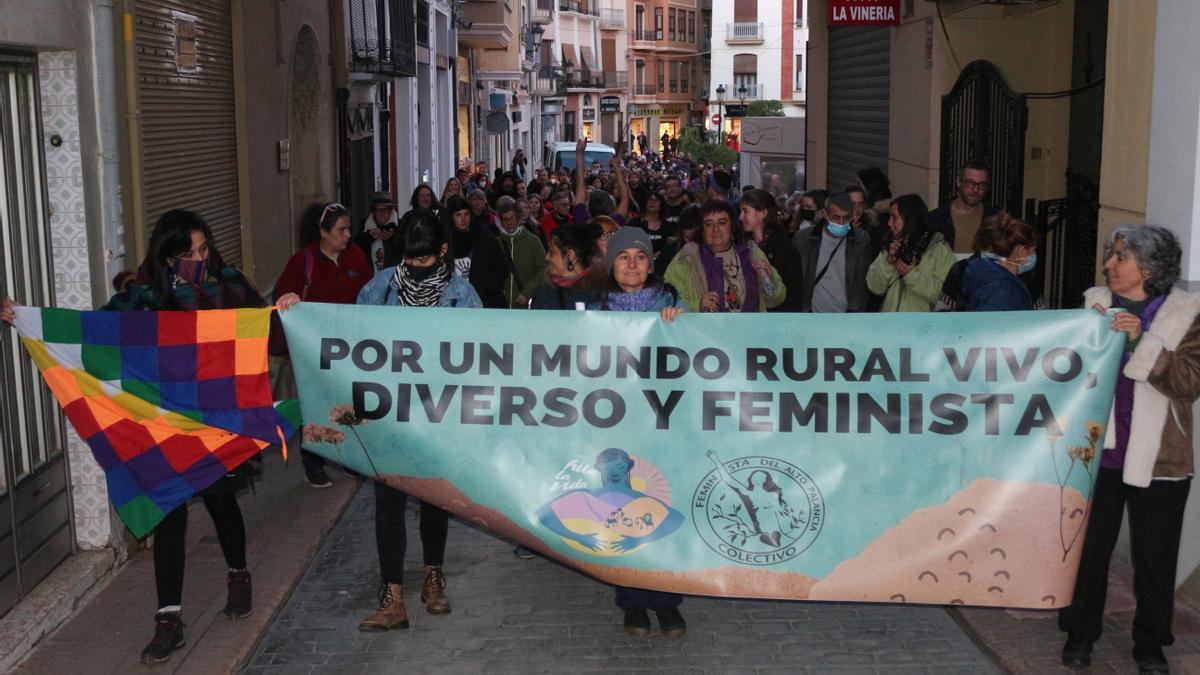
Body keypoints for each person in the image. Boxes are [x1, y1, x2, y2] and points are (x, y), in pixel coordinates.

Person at [1, 210, 297, 664]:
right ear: (167, 256)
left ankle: (239, 575)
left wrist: (284, 309)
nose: (200, 259)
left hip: (215, 420)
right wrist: (28, 320)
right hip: (163, 424)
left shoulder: (226, 280)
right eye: (189, 254)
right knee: (168, 510)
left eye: (204, 249)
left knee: (220, 499)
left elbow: (263, 324)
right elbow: (96, 336)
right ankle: (169, 619)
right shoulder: (141, 295)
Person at [1059, 225, 1200, 674]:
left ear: (1150, 267)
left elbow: (1187, 383)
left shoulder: (1186, 312)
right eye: (1110, 256)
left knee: (1154, 558)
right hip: (1097, 452)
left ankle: (1150, 643)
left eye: (1119, 257)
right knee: (1088, 551)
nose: (1109, 265)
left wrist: (1141, 340)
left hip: (1160, 458)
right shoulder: (1093, 303)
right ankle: (1080, 633)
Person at [338, 215, 481, 631]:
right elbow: (351, 341)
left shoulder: (462, 295)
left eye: (424, 259)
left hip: (438, 415)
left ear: (441, 253)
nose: (416, 267)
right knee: (388, 505)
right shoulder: (378, 289)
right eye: (409, 259)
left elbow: (478, 355)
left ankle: (433, 576)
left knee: (434, 499)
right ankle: (392, 596)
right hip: (389, 413)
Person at [275, 203, 373, 487]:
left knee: (350, 404)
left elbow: (369, 296)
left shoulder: (356, 257)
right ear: (322, 232)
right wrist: (289, 298)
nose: (347, 235)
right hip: (311, 352)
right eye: (341, 230)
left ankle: (350, 459)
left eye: (348, 229)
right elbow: (282, 298)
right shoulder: (302, 262)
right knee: (315, 406)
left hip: (351, 348)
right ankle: (313, 463)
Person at [664, 200, 786, 313]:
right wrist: (698, 305)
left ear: (732, 226)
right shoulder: (687, 258)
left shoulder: (752, 252)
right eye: (708, 224)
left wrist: (766, 280)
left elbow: (776, 300)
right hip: (706, 334)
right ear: (702, 230)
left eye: (722, 222)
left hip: (751, 333)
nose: (715, 229)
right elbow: (667, 300)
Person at [865, 194, 955, 312]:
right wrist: (887, 263)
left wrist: (912, 275)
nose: (889, 223)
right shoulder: (891, 246)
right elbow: (875, 287)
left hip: (923, 327)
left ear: (910, 220)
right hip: (891, 325)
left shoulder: (940, 250)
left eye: (894, 218)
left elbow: (947, 296)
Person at [794, 192, 875, 313]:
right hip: (811, 315)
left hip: (847, 318)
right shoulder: (803, 239)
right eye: (836, 217)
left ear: (852, 216)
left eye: (846, 218)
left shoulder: (861, 240)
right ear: (825, 214)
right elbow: (796, 281)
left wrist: (854, 313)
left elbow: (861, 283)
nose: (841, 223)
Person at [959, 213, 1039, 311]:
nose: (1033, 254)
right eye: (1032, 249)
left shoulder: (982, 269)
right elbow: (993, 324)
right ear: (1020, 251)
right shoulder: (1001, 288)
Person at [739, 189, 802, 312]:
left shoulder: (785, 249)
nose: (740, 217)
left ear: (763, 213)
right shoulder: (741, 246)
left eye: (745, 211)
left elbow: (794, 297)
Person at [443, 194, 507, 308]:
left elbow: (502, 265)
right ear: (451, 217)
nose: (463, 219)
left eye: (466, 214)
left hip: (486, 299)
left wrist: (490, 286)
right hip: (455, 301)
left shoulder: (484, 236)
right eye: (458, 215)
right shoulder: (445, 242)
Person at [928, 159, 1000, 254]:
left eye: (981, 184)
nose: (975, 189)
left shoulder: (996, 219)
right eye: (970, 183)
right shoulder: (935, 218)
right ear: (958, 182)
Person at [493, 196, 546, 308]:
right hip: (502, 305)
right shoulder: (496, 243)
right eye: (505, 219)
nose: (509, 222)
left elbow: (544, 268)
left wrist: (528, 292)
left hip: (526, 302)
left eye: (512, 218)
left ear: (519, 219)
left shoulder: (532, 241)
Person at [355, 193, 402, 272]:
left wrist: (390, 238)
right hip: (371, 279)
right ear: (373, 211)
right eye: (379, 210)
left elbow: (406, 253)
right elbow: (356, 250)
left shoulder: (400, 226)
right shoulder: (365, 227)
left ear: (391, 210)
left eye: (386, 209)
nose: (383, 213)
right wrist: (369, 236)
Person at [628, 191, 669, 259]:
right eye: (650, 200)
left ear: (661, 206)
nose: (652, 203)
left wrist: (662, 253)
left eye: (656, 201)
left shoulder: (666, 226)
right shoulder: (635, 223)